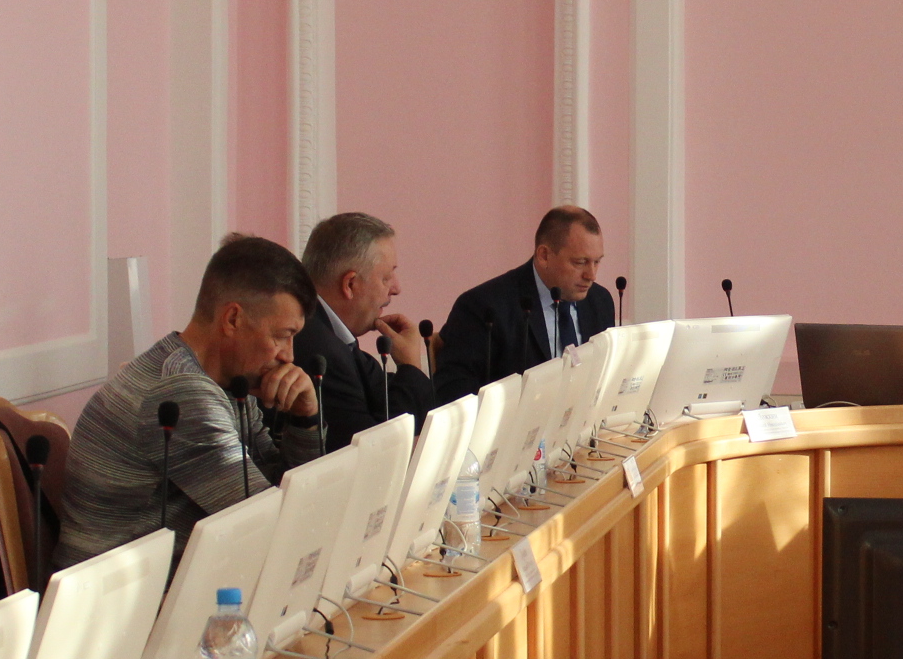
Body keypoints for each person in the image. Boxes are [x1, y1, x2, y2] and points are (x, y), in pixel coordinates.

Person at [57, 235, 322, 566]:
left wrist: (305, 417)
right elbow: (274, 525)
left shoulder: (227, 381)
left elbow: (282, 491)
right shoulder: (181, 392)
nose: (289, 356)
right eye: (282, 336)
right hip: (130, 595)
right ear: (233, 319)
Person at [434, 206, 616, 405]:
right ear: (544, 255)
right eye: (580, 262)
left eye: (597, 262)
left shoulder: (600, 301)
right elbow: (453, 394)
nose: (591, 275)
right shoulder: (483, 307)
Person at [297, 212, 437, 452]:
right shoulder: (319, 349)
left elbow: (386, 403)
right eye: (386, 277)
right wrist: (411, 366)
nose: (397, 288)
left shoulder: (333, 335)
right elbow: (380, 449)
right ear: (350, 284)